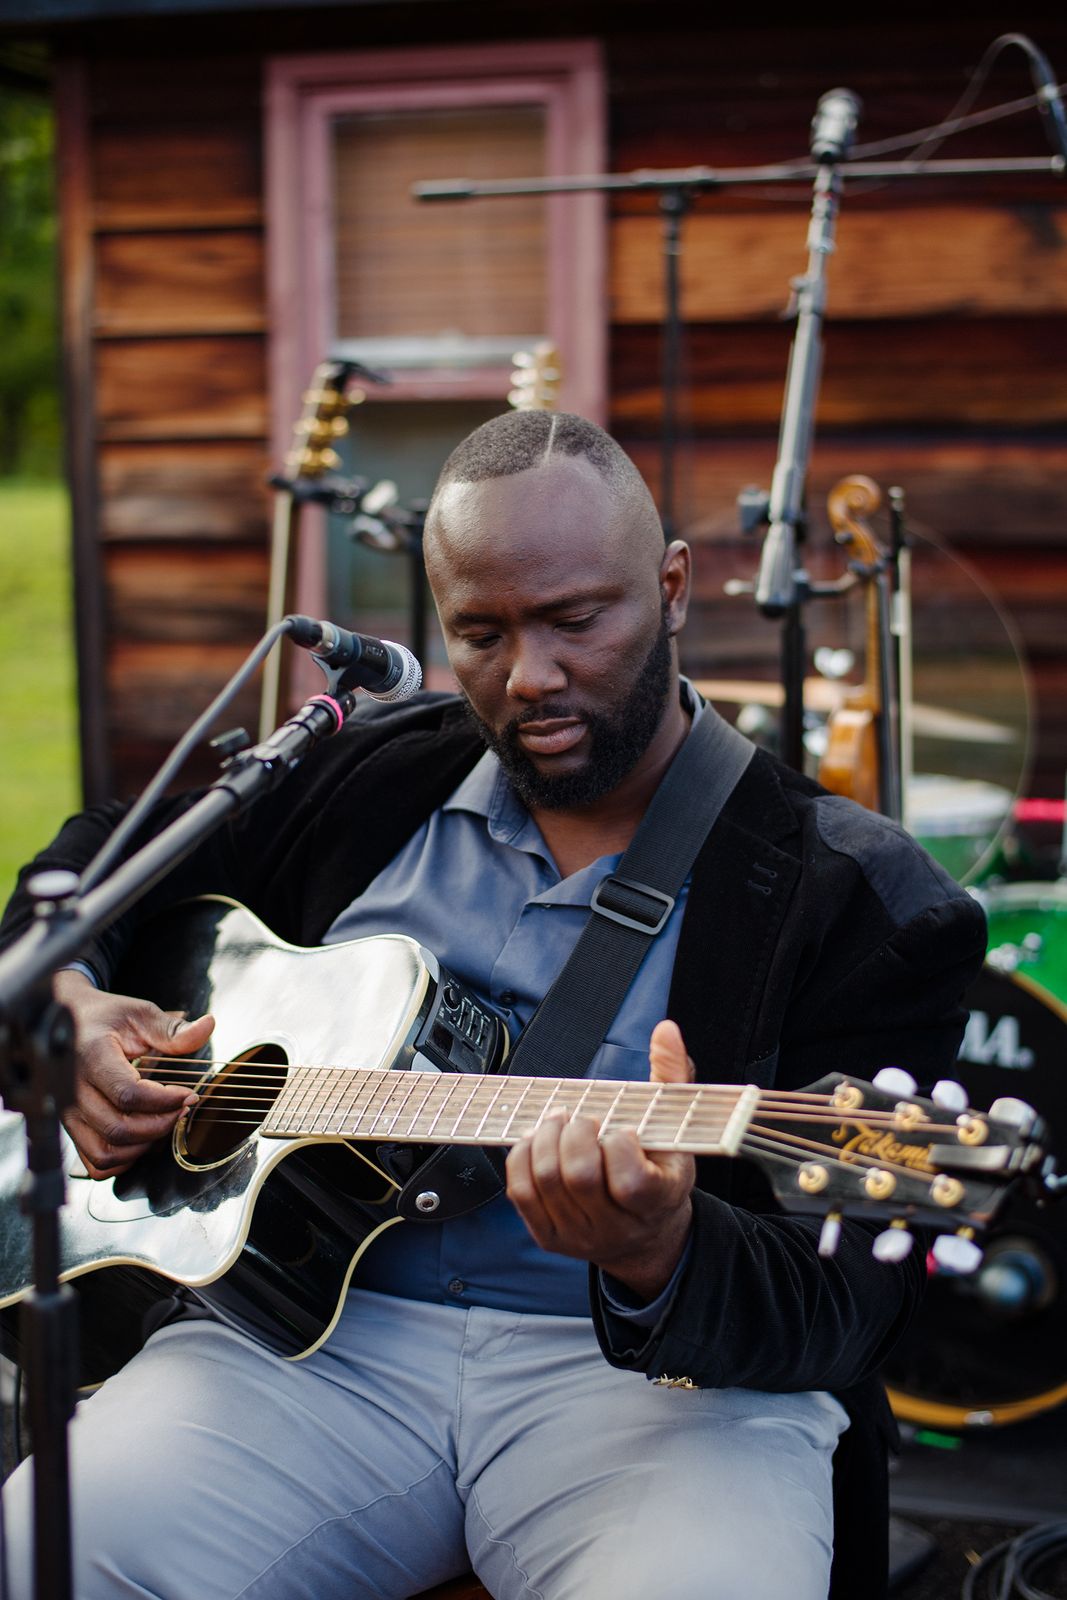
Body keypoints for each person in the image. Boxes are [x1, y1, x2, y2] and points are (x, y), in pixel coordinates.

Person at [0, 411, 986, 1600]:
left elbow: (852, 1303)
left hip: (658, 1392)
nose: (529, 676)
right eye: (481, 632)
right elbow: (102, 859)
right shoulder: (361, 770)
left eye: (575, 620)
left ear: (671, 588)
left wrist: (660, 1249)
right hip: (309, 1349)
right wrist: (64, 1004)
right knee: (43, 1551)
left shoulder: (861, 894)